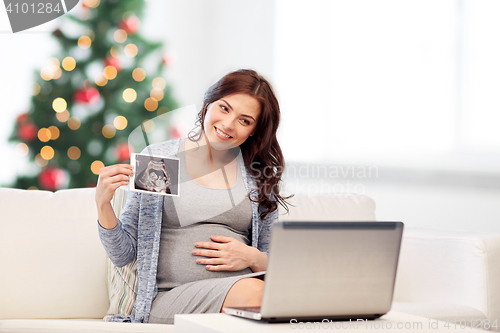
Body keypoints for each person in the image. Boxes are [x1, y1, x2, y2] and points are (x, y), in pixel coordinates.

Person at [95, 69, 290, 324]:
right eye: (224, 108)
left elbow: (275, 266)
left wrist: (251, 257)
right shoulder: (161, 160)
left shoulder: (258, 176)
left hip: (246, 292)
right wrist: (103, 205)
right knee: (262, 295)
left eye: (245, 120)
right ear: (208, 105)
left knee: (275, 295)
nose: (228, 124)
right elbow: (124, 254)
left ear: (254, 130)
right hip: (171, 298)